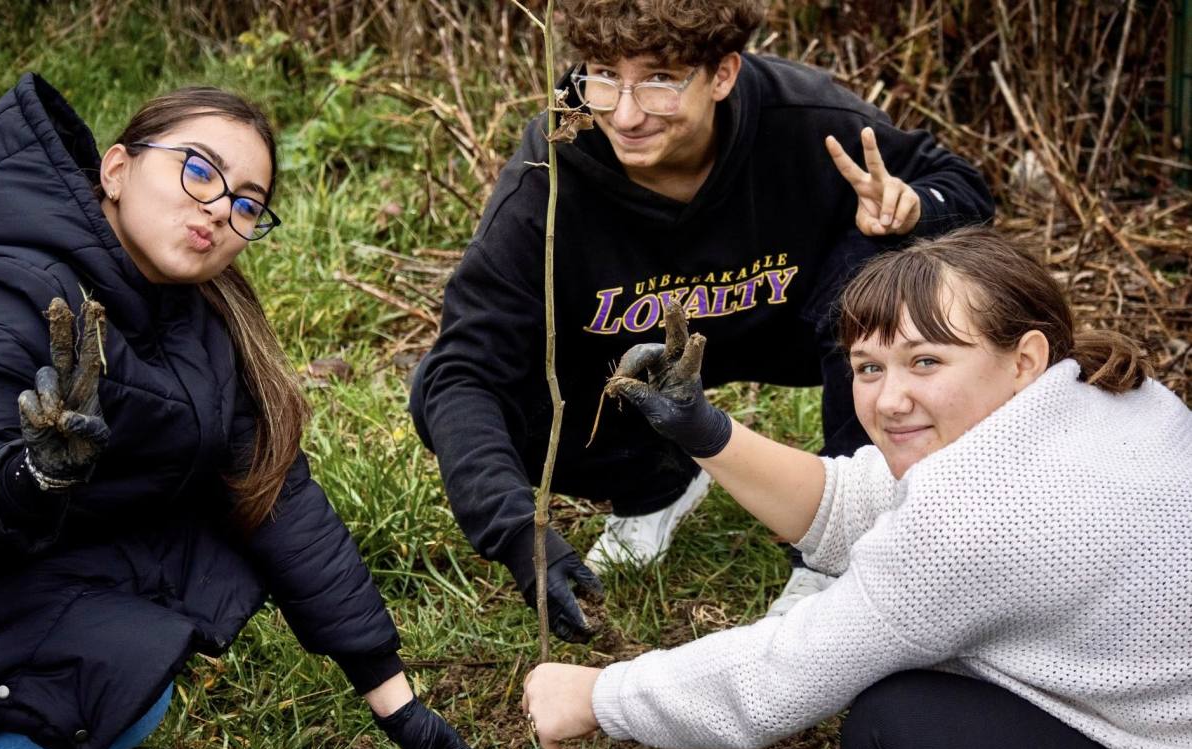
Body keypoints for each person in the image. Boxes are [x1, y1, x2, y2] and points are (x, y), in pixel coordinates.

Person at [0, 74, 508, 749]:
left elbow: (278, 501)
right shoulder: (3, 299)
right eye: (199, 169)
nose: (221, 208)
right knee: (128, 673)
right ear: (115, 170)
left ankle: (41, 735)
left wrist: (395, 698)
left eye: (247, 202)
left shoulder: (195, 322)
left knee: (189, 551)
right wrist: (30, 474)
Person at [521, 227, 1192, 749]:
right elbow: (859, 499)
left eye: (926, 360)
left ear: (1024, 359)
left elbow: (780, 675)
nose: (890, 398)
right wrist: (704, 431)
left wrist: (597, 695)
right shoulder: (1114, 398)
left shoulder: (969, 525)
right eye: (868, 367)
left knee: (896, 735)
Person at [408, 0, 994, 644]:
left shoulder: (804, 119)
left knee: (882, 270)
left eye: (660, 80)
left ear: (721, 75)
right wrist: (514, 528)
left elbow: (961, 184)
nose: (625, 114)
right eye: (603, 74)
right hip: (631, 356)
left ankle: (843, 540)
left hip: (803, 326)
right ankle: (653, 482)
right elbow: (463, 372)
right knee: (448, 385)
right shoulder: (550, 170)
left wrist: (914, 210)